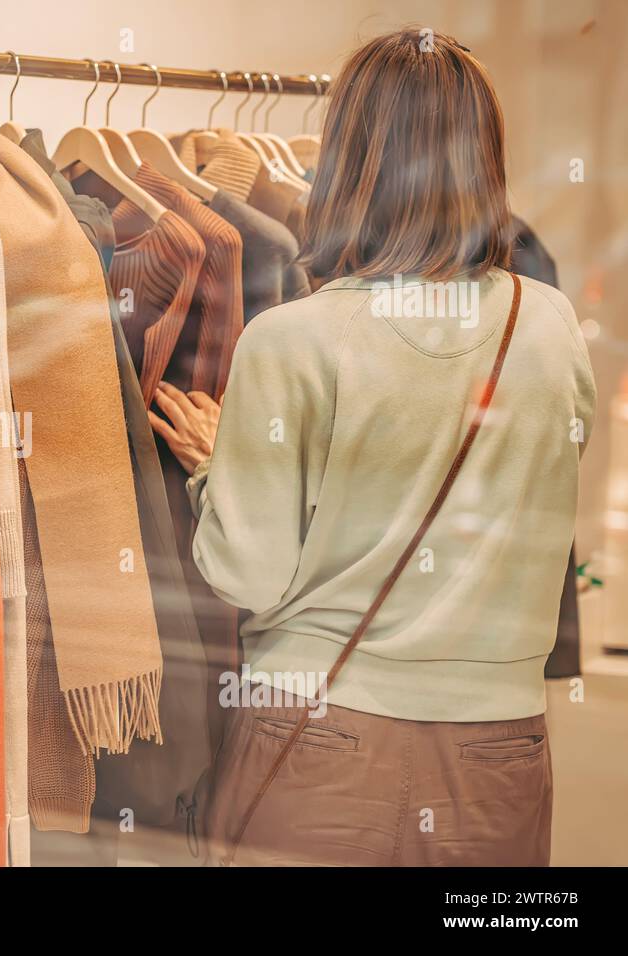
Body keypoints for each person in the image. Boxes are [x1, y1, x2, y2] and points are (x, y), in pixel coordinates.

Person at [150, 27, 595, 866]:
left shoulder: (294, 339)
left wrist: (215, 472)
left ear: (346, 158)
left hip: (317, 736)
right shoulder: (548, 325)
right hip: (497, 741)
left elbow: (251, 571)